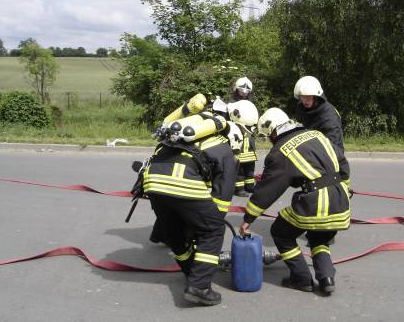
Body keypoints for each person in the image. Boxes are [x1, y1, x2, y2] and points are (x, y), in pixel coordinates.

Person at [239, 108, 351, 295]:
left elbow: (267, 191)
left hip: (316, 202)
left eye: (268, 137)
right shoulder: (317, 135)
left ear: (273, 131)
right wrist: (346, 188)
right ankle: (326, 278)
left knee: (281, 232)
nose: (270, 141)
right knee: (319, 237)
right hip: (341, 198)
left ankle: (302, 279)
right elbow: (343, 163)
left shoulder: (280, 152)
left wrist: (248, 219)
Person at [143, 114, 236, 306]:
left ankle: (190, 270)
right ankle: (199, 286)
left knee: (173, 231)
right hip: (182, 182)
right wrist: (213, 219)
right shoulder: (223, 147)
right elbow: (223, 191)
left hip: (152, 182)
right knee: (213, 230)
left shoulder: (174, 138)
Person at [294, 76, 345, 153]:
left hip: (331, 155)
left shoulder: (329, 116)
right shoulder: (301, 108)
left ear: (316, 96)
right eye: (302, 96)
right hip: (309, 151)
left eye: (308, 96)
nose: (305, 101)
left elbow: (333, 146)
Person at [227, 99, 259, 196]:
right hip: (244, 152)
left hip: (246, 152)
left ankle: (247, 187)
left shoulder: (243, 123)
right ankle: (240, 189)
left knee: (246, 171)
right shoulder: (239, 125)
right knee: (242, 171)